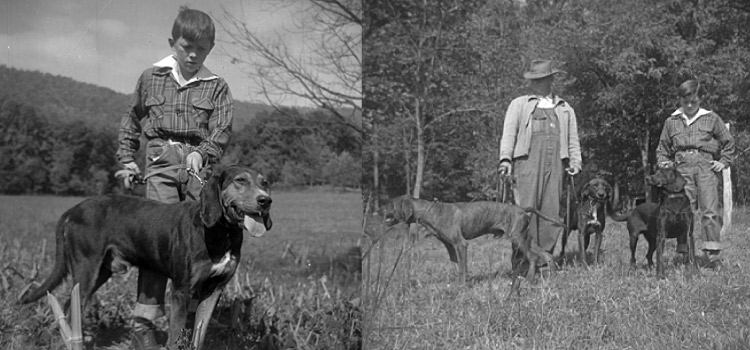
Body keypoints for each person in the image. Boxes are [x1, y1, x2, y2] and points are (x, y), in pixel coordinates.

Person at [116, 6, 233, 349]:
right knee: (159, 246)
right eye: (186, 47)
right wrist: (127, 159)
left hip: (199, 172)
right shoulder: (151, 76)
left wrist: (204, 151)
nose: (193, 54)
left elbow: (222, 128)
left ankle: (184, 333)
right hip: (160, 167)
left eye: (203, 48)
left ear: (211, 47)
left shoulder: (217, 86)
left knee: (198, 249)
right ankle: (143, 325)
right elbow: (131, 119)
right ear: (173, 43)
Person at [498, 59, 582, 275]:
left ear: (550, 80)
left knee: (550, 211)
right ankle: (522, 263)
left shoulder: (564, 108)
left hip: (555, 165)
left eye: (540, 80)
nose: (535, 84)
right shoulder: (520, 104)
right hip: (527, 163)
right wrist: (505, 159)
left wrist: (575, 161)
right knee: (525, 211)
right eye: (533, 80)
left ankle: (544, 262)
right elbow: (509, 133)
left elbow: (573, 139)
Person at [656, 79, 734, 270]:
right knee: (683, 212)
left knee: (709, 211)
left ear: (700, 98)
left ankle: (713, 256)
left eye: (694, 101)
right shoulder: (671, 121)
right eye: (685, 102)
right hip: (681, 170)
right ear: (680, 100)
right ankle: (684, 252)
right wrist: (665, 164)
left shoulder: (711, 118)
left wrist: (722, 162)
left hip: (705, 167)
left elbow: (728, 142)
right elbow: (662, 150)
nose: (690, 105)